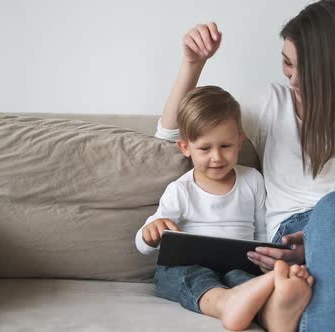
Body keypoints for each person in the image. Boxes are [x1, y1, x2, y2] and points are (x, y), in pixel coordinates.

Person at [155, 1, 335, 331]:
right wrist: (193, 63)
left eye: (309, 71)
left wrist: (324, 235)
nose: (294, 79)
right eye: (288, 63)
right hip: (295, 240)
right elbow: (172, 135)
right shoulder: (271, 103)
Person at [135, 85, 314, 331]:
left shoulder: (253, 180)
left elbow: (262, 233)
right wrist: (150, 232)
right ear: (185, 147)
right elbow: (143, 245)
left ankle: (273, 313)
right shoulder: (181, 190)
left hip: (237, 267)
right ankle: (225, 303)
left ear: (240, 141)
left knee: (244, 280)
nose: (217, 157)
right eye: (205, 149)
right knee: (186, 276)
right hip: (187, 266)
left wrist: (265, 263)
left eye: (226, 146)